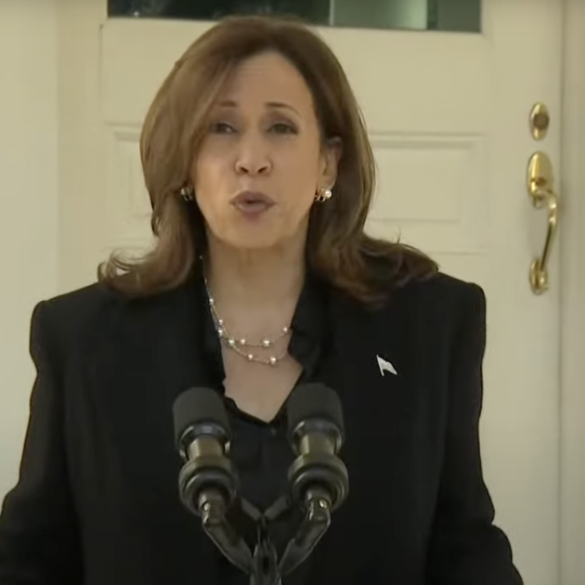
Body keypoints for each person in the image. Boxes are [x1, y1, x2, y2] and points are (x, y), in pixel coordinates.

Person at [0, 14, 523, 585]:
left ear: (327, 162)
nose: (251, 158)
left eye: (280, 127)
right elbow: (30, 559)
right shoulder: (83, 341)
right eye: (221, 128)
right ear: (185, 163)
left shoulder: (427, 328)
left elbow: (464, 547)